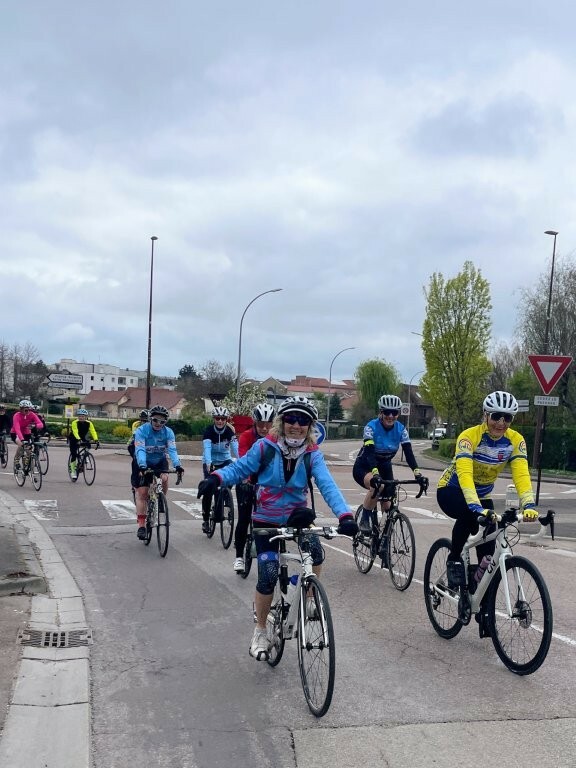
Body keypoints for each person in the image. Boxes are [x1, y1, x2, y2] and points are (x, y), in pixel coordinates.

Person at [197, 396, 358, 662]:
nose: (296, 425)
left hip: (297, 516)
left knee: (316, 553)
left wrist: (345, 515)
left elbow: (327, 484)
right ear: (282, 422)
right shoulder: (265, 447)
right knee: (269, 573)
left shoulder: (312, 453)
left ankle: (306, 594)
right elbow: (241, 468)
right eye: (291, 419)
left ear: (310, 426)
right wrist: (216, 478)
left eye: (303, 420)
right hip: (266, 519)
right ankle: (260, 631)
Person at [437, 390, 539, 594]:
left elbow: (521, 474)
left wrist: (528, 504)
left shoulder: (515, 440)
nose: (501, 423)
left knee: (488, 550)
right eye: (496, 416)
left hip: (482, 496)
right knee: (469, 514)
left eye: (507, 418)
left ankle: (480, 595)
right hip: (452, 490)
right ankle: (454, 559)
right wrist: (475, 507)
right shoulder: (469, 437)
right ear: (485, 415)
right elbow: (465, 474)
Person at [353, 394, 427, 533]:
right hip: (365, 466)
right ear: (381, 412)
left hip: (385, 467)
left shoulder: (401, 429)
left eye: (394, 412)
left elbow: (409, 453)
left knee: (388, 505)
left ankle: (383, 535)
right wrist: (375, 473)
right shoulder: (371, 427)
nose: (391, 416)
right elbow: (369, 454)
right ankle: (365, 519)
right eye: (387, 412)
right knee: (377, 486)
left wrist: (417, 473)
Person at [233, 402, 276, 573]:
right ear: (255, 422)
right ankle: (238, 557)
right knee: (244, 518)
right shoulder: (246, 436)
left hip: (266, 484)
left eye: (268, 424)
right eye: (261, 424)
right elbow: (244, 461)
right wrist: (248, 480)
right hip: (248, 480)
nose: (264, 428)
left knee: (272, 520)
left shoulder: (276, 438)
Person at [134, 404, 184, 540]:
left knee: (165, 477)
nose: (158, 423)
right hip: (142, 461)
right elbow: (140, 449)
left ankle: (161, 499)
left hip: (159, 460)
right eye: (155, 420)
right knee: (143, 493)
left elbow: (172, 450)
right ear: (151, 419)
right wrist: (142, 466)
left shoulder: (168, 432)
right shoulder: (142, 430)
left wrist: (178, 465)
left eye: (162, 421)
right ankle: (141, 526)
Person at [200, 406, 239, 533]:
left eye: (223, 418)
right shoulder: (208, 431)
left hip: (225, 460)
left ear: (226, 419)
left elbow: (236, 448)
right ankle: (206, 520)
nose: (220, 421)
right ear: (214, 419)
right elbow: (207, 448)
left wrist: (242, 461)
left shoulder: (229, 431)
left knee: (232, 475)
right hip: (210, 461)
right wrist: (208, 463)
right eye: (217, 418)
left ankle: (225, 496)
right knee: (208, 490)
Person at [11, 400, 44, 468]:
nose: (28, 411)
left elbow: (41, 424)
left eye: (29, 409)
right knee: (21, 444)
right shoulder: (17, 415)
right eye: (26, 410)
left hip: (26, 433)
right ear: (21, 409)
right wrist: (22, 439)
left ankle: (27, 463)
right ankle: (16, 460)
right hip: (16, 433)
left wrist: (35, 426)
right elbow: (17, 429)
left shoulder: (32, 414)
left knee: (29, 449)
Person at [69, 408, 99, 478]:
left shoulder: (89, 423)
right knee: (74, 454)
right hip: (74, 438)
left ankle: (84, 456)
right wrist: (78, 439)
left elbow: (93, 431)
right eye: (79, 416)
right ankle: (73, 471)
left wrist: (96, 439)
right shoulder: (74, 422)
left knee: (88, 445)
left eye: (83, 416)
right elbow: (75, 431)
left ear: (86, 417)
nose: (81, 417)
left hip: (82, 437)